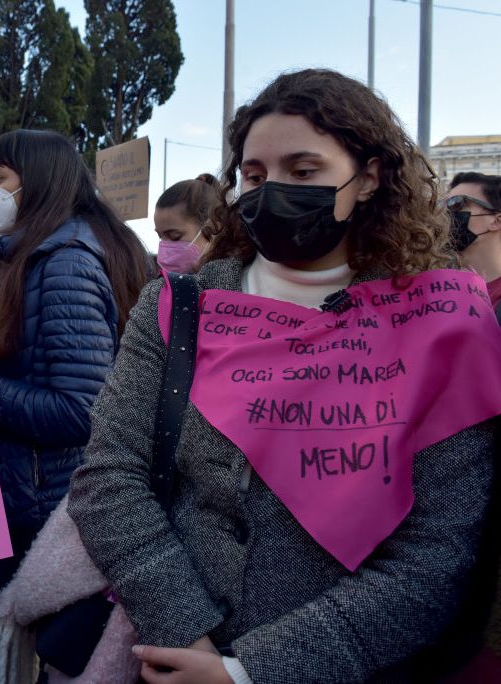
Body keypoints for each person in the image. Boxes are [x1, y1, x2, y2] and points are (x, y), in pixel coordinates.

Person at [67, 68, 501, 684]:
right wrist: (188, 638)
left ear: (370, 177)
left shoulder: (442, 326)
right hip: (175, 655)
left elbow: (435, 556)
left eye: (304, 172)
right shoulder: (179, 306)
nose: (272, 191)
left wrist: (250, 673)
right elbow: (109, 477)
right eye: (254, 175)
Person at [0, 129, 150, 585]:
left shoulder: (64, 263)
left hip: (46, 503)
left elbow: (80, 410)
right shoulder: (39, 257)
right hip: (35, 494)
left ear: (36, 181)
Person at [445, 172, 501, 310]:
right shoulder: (438, 289)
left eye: (456, 203)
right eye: (443, 205)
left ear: (496, 221)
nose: (445, 214)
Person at [153, 174, 219, 274]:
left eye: (175, 236)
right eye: (160, 237)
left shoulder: (242, 280)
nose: (164, 249)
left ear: (211, 228)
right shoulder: (159, 285)